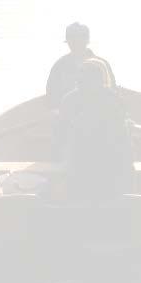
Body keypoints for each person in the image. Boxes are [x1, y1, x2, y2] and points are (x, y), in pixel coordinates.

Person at [54, 59, 133, 198]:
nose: (81, 83)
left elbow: (60, 136)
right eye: (81, 80)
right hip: (84, 160)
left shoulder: (111, 100)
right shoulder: (71, 100)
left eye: (85, 80)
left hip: (102, 160)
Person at [46, 22, 115, 106]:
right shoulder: (59, 66)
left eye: (79, 40)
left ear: (86, 41)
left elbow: (112, 90)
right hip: (70, 112)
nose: (75, 43)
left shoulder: (102, 64)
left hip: (99, 112)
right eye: (72, 40)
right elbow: (51, 94)